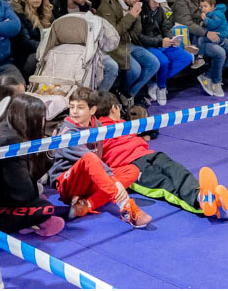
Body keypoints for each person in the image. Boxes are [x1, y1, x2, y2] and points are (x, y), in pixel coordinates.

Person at [96, 93, 228, 219]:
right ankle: (205, 202)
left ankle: (204, 198)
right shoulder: (100, 130)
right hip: (132, 166)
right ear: (114, 108)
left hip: (146, 156)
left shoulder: (118, 125)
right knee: (171, 179)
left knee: (172, 178)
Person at [47, 87, 152, 228]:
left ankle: (86, 205)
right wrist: (114, 181)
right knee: (90, 158)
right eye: (72, 107)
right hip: (68, 182)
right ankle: (126, 207)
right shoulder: (67, 132)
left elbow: (99, 158)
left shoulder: (97, 125)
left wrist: (110, 178)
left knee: (132, 170)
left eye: (80, 107)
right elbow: (89, 158)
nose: (74, 111)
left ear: (92, 110)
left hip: (90, 178)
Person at [0, 94, 65, 236]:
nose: (44, 121)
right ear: (32, 119)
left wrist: (49, 154)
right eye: (42, 117)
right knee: (46, 208)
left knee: (40, 194)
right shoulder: (12, 143)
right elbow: (23, 193)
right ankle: (31, 223)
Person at [172, 0, 228, 98]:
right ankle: (216, 81)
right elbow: (188, 24)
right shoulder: (181, 0)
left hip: (207, 33)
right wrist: (207, 33)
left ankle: (208, 75)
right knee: (220, 53)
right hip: (194, 39)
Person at [97, 0, 160, 105]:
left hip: (129, 43)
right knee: (135, 70)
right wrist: (131, 16)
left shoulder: (132, 4)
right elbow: (113, 34)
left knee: (154, 63)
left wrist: (136, 17)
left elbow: (136, 33)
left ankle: (127, 95)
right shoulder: (107, 6)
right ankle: (121, 94)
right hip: (113, 46)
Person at [138, 0, 193, 106]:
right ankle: (161, 86)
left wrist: (171, 38)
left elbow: (166, 27)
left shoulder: (160, 11)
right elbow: (139, 37)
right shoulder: (139, 11)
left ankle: (155, 80)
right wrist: (160, 42)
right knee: (163, 62)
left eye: (159, 2)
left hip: (162, 42)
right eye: (155, 1)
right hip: (148, 45)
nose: (158, 5)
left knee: (187, 57)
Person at [11, 0, 53, 78]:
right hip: (26, 57)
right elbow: (25, 43)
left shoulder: (46, 12)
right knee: (51, 58)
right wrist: (46, 47)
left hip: (45, 51)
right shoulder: (19, 15)